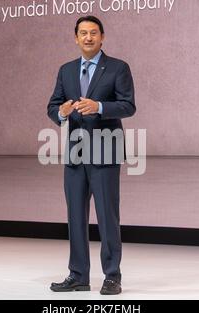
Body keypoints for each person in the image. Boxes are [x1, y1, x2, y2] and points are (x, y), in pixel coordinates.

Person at [47, 15, 136, 295]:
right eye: (83, 33)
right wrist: (59, 113)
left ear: (102, 37)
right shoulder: (66, 70)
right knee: (75, 216)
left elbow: (128, 106)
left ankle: (112, 276)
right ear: (76, 38)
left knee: (108, 217)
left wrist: (98, 106)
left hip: (105, 152)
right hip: (75, 153)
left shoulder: (118, 68)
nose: (88, 37)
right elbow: (53, 105)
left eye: (93, 33)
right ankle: (78, 275)